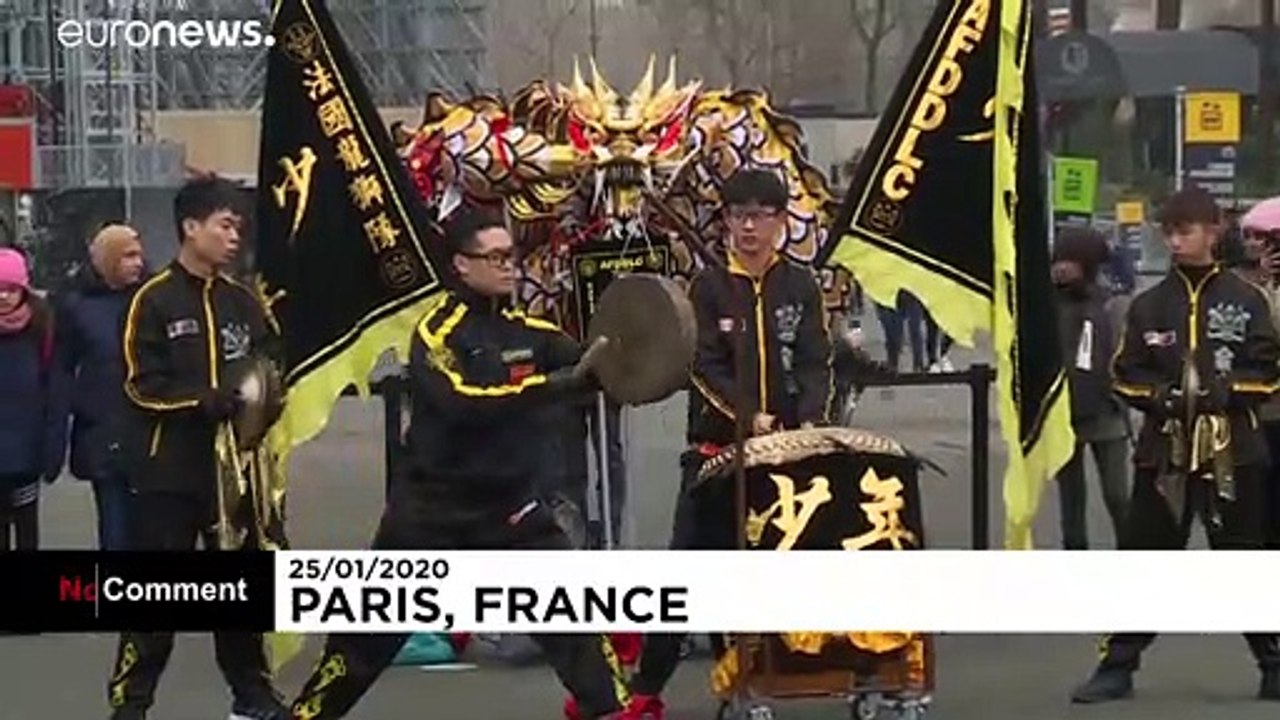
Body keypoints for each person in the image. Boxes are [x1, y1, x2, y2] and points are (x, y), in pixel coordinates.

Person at [287, 209, 633, 720]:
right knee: (360, 647)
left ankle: (609, 710)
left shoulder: (531, 330)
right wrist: (553, 387)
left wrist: (625, 355)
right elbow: (465, 402)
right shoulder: (435, 334)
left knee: (574, 622)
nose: (507, 267)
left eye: (509, 256)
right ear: (460, 265)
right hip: (432, 514)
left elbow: (594, 361)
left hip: (513, 511)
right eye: (493, 258)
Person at [626, 169, 834, 716]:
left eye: (760, 216)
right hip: (714, 456)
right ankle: (645, 692)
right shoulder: (709, 287)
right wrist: (749, 418)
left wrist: (810, 418)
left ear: (780, 222)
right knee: (687, 574)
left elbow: (814, 360)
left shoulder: (801, 286)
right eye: (737, 215)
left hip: (784, 456)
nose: (747, 227)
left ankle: (769, 678)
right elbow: (702, 366)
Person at [1070, 187, 1280, 704]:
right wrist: (1162, 398)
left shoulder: (1246, 299)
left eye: (1185, 231)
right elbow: (1125, 374)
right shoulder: (1148, 305)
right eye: (1169, 232)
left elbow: (1268, 371)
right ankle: (1118, 664)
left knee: (1245, 559)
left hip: (1235, 451)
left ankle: (1273, 664)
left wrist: (1224, 393)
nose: (1176, 241)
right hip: (1164, 451)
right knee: (1146, 557)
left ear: (1213, 231)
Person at [105, 177, 287, 720]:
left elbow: (266, 360)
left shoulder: (241, 301)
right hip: (168, 474)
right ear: (191, 227)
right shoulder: (152, 299)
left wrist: (266, 389)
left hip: (233, 475)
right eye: (224, 225)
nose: (234, 237)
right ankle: (131, 703)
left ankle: (251, 696)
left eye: (239, 227)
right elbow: (140, 385)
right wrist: (199, 403)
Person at [50, 224, 147, 550]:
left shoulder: (151, 300)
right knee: (115, 531)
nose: (138, 262)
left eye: (139, 254)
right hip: (102, 435)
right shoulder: (76, 306)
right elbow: (61, 368)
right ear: (108, 260)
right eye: (128, 256)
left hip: (151, 431)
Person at [1049, 227, 1131, 550]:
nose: (1061, 267)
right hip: (1060, 412)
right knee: (1071, 499)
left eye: (1070, 260)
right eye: (1058, 259)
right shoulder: (1045, 304)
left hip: (1106, 413)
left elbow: (1126, 354)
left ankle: (1131, 551)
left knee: (1117, 494)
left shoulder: (1112, 304)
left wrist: (1119, 393)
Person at [0, 247, 63, 550]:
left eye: (11, 289)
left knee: (27, 532)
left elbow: (54, 391)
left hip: (27, 453)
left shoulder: (41, 327)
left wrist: (52, 447)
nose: (4, 297)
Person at [1233, 210, 1280, 550]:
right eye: (1248, 236)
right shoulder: (1235, 285)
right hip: (1252, 407)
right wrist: (1262, 288)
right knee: (1254, 497)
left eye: (1262, 239)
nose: (1254, 245)